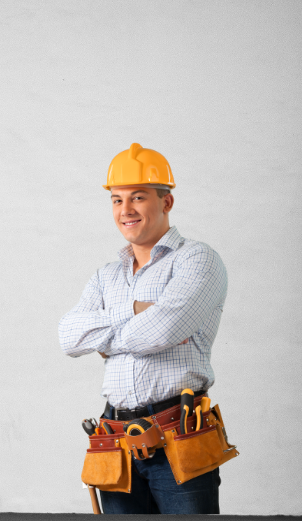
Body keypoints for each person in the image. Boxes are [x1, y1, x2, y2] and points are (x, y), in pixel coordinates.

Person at [59, 143, 228, 514]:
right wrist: (139, 310)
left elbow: (162, 331)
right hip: (115, 442)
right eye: (117, 200)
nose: (126, 210)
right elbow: (69, 337)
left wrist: (107, 335)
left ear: (166, 203)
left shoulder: (197, 259)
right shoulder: (106, 275)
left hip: (180, 440)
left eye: (138, 197)